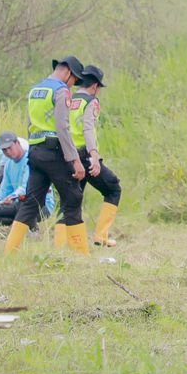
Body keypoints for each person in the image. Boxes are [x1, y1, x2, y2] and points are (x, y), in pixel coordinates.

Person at [5, 56, 89, 256]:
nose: (73, 85)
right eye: (74, 80)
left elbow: (30, 124)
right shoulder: (61, 91)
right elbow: (63, 127)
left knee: (31, 202)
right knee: (73, 197)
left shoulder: (35, 90)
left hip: (35, 151)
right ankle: (80, 252)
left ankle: (10, 252)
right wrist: (75, 160)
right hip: (54, 152)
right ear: (68, 73)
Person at [70, 65, 123, 247]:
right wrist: (94, 155)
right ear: (94, 86)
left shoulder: (69, 99)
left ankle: (65, 242)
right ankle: (101, 236)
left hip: (68, 155)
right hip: (84, 154)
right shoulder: (91, 102)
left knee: (72, 199)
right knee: (113, 188)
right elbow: (88, 129)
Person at [0, 132, 51, 227]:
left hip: (39, 205)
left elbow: (25, 189)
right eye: (4, 150)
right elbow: (4, 190)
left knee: (22, 206)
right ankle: (18, 221)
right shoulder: (8, 164)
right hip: (17, 203)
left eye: (10, 148)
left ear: (17, 143)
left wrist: (11, 198)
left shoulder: (31, 159)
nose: (8, 152)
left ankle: (18, 221)